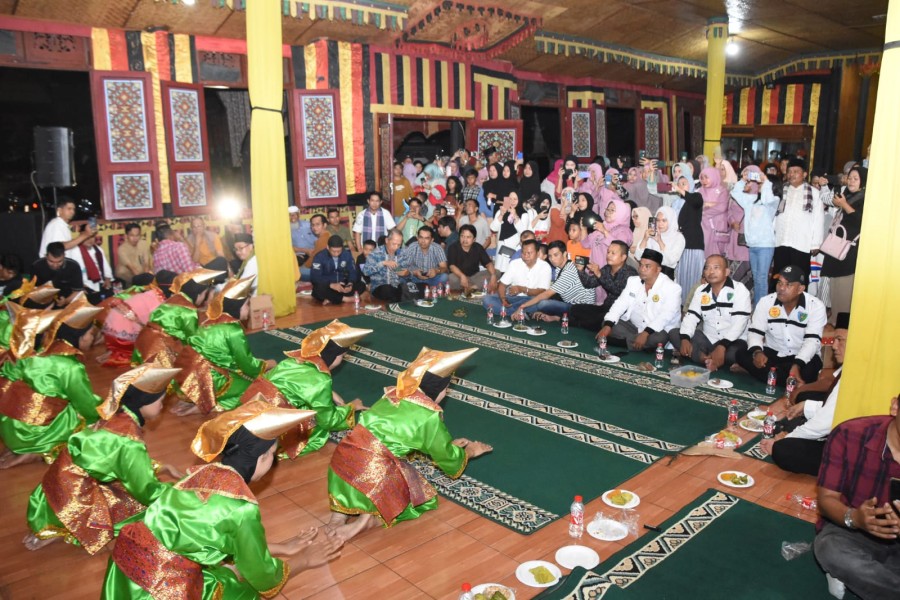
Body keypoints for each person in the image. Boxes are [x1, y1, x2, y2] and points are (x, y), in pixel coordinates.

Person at [102, 400, 341, 599]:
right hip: (160, 586)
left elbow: (201, 534)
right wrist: (304, 559)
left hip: (125, 566)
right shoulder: (240, 508)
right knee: (239, 590)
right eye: (272, 454)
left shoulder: (195, 476)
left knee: (225, 572)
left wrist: (282, 548)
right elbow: (262, 575)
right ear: (263, 457)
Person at [326, 347, 492, 541]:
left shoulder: (393, 395)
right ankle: (363, 523)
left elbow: (399, 435)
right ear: (437, 389)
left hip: (341, 462)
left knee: (370, 460)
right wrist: (471, 451)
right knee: (417, 492)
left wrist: (446, 442)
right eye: (447, 387)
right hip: (372, 473)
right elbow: (447, 457)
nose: (447, 391)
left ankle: (338, 517)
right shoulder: (428, 416)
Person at [23, 364, 182, 553]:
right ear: (143, 402)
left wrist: (158, 466)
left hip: (58, 476)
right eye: (160, 401)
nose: (162, 406)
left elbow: (115, 460)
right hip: (76, 492)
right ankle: (59, 528)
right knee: (144, 509)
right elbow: (146, 490)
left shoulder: (116, 416)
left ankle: (48, 525)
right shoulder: (130, 441)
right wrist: (177, 492)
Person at [812, 393, 900, 600]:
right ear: (895, 407)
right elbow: (827, 499)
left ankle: (870, 580)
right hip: (853, 531)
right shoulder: (850, 434)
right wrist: (855, 518)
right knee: (831, 549)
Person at [242, 320, 370, 458]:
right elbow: (328, 420)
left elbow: (298, 384)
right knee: (318, 427)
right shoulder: (320, 380)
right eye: (342, 356)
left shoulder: (293, 361)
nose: (343, 359)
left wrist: (330, 392)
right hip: (269, 429)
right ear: (332, 354)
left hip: (248, 414)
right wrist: (352, 408)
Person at [0, 299, 103, 469]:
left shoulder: (31, 351)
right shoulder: (69, 366)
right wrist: (99, 418)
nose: (93, 338)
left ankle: (20, 446)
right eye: (91, 334)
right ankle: (39, 450)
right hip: (32, 435)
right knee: (86, 416)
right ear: (80, 337)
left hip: (10, 429)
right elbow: (86, 405)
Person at [760, 312, 850, 476]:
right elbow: (837, 408)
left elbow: (825, 423)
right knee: (800, 409)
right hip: (838, 429)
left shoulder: (854, 375)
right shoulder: (852, 366)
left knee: (783, 450)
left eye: (840, 340)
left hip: (847, 450)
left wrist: (787, 439)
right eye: (835, 339)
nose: (834, 346)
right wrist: (806, 406)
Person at [171, 276, 275, 415]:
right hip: (206, 378)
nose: (248, 309)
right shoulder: (233, 330)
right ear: (237, 307)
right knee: (254, 386)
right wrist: (266, 365)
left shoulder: (210, 320)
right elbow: (246, 364)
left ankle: (194, 399)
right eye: (246, 305)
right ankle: (210, 405)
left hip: (184, 376)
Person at [734, 265, 827, 385]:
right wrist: (757, 352)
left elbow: (812, 341)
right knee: (741, 354)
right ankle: (785, 378)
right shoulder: (766, 302)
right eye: (779, 282)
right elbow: (755, 332)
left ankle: (766, 374)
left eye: (788, 284)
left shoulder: (815, 306)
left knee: (810, 369)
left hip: (800, 356)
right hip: (773, 354)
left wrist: (797, 364)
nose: (781, 288)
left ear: (800, 289)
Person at [671, 254, 751, 371]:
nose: (711, 271)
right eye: (707, 268)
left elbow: (740, 324)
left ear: (727, 272)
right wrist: (685, 338)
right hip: (708, 340)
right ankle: (707, 359)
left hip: (732, 342)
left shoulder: (739, 290)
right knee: (675, 334)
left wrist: (722, 346)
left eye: (716, 267)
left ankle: (704, 357)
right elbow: (691, 317)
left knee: (737, 353)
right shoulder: (701, 290)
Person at [132, 268, 222, 367]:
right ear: (198, 293)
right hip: (158, 349)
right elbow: (193, 340)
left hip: (143, 342)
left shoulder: (173, 299)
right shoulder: (188, 311)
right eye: (205, 294)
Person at [596, 249, 682, 352]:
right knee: (608, 322)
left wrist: (645, 333)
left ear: (658, 269)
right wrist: (608, 326)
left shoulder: (672, 288)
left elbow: (665, 316)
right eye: (640, 265)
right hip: (634, 327)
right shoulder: (633, 281)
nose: (642, 269)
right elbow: (620, 304)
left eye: (647, 266)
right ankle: (637, 343)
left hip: (655, 330)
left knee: (660, 338)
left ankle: (621, 342)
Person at [821, 166, 866, 321]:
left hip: (848, 252)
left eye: (856, 178)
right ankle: (834, 322)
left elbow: (860, 220)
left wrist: (844, 204)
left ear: (863, 182)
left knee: (844, 290)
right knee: (834, 289)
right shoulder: (845, 194)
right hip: (835, 249)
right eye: (850, 178)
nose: (851, 181)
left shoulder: (865, 198)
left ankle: (841, 327)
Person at [772, 157, 826, 282]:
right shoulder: (781, 190)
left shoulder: (814, 193)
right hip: (781, 241)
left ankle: (800, 301)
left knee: (799, 278)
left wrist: (816, 243)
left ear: (805, 174)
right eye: (789, 171)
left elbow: (818, 220)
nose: (791, 174)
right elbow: (774, 215)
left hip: (802, 243)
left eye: (796, 171)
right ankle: (778, 301)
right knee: (779, 277)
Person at [731, 165, 778, 307]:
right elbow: (735, 193)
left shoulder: (773, 201)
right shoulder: (749, 201)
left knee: (762, 279)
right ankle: (759, 308)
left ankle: (760, 312)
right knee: (757, 278)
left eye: (759, 182)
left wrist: (766, 181)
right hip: (752, 245)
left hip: (765, 246)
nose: (758, 184)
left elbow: (767, 198)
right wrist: (742, 180)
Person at [99, 273, 170, 366]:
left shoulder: (151, 293)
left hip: (110, 327)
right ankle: (119, 353)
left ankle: (115, 351)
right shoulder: (158, 301)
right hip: (121, 333)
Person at [514, 240, 595, 321]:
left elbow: (547, 294)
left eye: (556, 255)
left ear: (565, 254)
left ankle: (523, 312)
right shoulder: (558, 268)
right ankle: (529, 312)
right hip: (569, 304)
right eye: (550, 256)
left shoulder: (570, 270)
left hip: (581, 309)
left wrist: (523, 306)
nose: (552, 259)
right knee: (536, 299)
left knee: (543, 303)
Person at [569, 240, 637, 332]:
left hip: (619, 313)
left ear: (623, 257)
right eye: (608, 252)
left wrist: (599, 274)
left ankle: (580, 324)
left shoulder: (630, 273)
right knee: (576, 309)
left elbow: (617, 290)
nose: (609, 255)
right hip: (605, 307)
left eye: (613, 253)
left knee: (599, 319)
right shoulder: (607, 269)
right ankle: (583, 324)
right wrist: (581, 270)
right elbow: (589, 284)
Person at [582, 197, 633, 305]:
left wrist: (604, 231)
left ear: (621, 213)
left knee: (606, 304)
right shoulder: (602, 225)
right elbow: (585, 244)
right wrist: (584, 228)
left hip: (609, 272)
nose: (607, 213)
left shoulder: (624, 231)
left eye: (612, 210)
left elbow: (620, 248)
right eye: (607, 209)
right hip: (594, 269)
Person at [482, 239, 551, 315]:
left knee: (541, 303)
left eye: (529, 253)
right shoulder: (515, 263)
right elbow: (502, 284)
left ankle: (511, 311)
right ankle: (520, 312)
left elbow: (542, 291)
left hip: (532, 299)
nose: (526, 255)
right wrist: (503, 299)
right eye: (523, 253)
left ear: (537, 253)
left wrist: (522, 289)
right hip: (513, 299)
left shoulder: (545, 267)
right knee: (487, 299)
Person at [673, 170, 705, 303]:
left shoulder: (696, 197)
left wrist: (682, 191)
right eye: (679, 184)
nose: (681, 186)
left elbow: (695, 202)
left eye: (684, 183)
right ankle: (680, 306)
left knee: (693, 278)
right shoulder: (676, 203)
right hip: (679, 245)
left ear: (691, 184)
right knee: (680, 278)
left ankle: (693, 306)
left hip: (693, 244)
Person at [310, 235, 365, 305]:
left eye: (339, 251)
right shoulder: (319, 257)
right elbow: (315, 277)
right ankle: (345, 299)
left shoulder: (347, 255)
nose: (336, 254)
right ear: (327, 247)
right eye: (333, 251)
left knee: (361, 285)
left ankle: (332, 298)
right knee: (317, 289)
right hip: (329, 287)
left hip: (342, 286)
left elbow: (353, 271)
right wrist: (331, 285)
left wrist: (350, 283)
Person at [635, 206, 685, 279]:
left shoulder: (678, 237)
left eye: (664, 220)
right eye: (658, 220)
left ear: (671, 220)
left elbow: (671, 260)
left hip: (666, 277)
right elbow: (638, 256)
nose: (660, 224)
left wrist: (659, 241)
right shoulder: (652, 233)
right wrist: (645, 239)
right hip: (648, 275)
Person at [362, 229, 409, 303]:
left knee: (411, 288)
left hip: (398, 285)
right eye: (394, 244)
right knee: (388, 290)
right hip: (380, 286)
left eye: (399, 245)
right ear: (387, 240)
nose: (396, 247)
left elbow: (408, 273)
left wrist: (406, 273)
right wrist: (383, 263)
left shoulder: (402, 253)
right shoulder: (376, 253)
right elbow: (366, 272)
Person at [447, 224, 496, 293]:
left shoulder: (478, 247)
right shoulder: (453, 247)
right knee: (451, 278)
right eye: (462, 236)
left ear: (474, 239)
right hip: (459, 276)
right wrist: (462, 276)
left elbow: (488, 263)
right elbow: (452, 266)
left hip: (475, 277)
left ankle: (472, 287)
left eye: (468, 237)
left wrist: (493, 275)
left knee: (496, 272)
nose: (465, 239)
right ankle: (475, 287)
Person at [71, 226, 115, 304]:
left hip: (100, 283)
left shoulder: (98, 250)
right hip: (84, 286)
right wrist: (80, 287)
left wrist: (107, 280)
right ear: (81, 235)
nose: (90, 240)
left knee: (112, 301)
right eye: (88, 237)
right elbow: (71, 274)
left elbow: (106, 269)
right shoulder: (74, 251)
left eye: (92, 237)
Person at [32, 241, 83, 306]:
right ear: (46, 256)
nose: (55, 265)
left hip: (68, 301)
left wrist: (66, 301)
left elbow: (77, 291)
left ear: (64, 256)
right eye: (51, 261)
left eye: (59, 262)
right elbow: (33, 289)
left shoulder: (73, 266)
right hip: (42, 302)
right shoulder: (37, 266)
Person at [491, 191, 532, 272]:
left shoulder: (524, 214)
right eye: (510, 199)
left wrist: (515, 216)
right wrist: (501, 215)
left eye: (515, 199)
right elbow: (493, 228)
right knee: (501, 273)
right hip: (501, 247)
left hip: (514, 248)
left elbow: (524, 233)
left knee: (512, 272)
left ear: (519, 200)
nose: (512, 201)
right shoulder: (501, 210)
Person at [299, 214, 330, 282]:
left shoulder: (323, 239)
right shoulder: (327, 235)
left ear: (325, 225)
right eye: (312, 225)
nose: (314, 227)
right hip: (325, 269)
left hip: (324, 273)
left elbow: (312, 261)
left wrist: (301, 268)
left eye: (317, 224)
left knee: (295, 272)